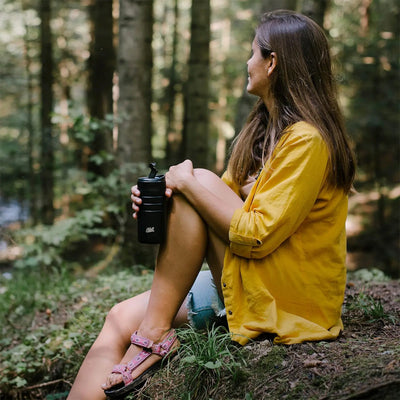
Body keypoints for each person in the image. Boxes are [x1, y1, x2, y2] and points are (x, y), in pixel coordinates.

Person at [67, 10, 355, 399]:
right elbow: (217, 210)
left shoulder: (307, 141)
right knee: (118, 317)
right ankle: (143, 339)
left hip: (286, 299)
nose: (246, 63)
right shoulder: (262, 132)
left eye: (253, 53)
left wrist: (188, 182)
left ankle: (153, 334)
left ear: (272, 63)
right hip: (250, 277)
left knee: (196, 180)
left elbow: (255, 236)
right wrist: (166, 203)